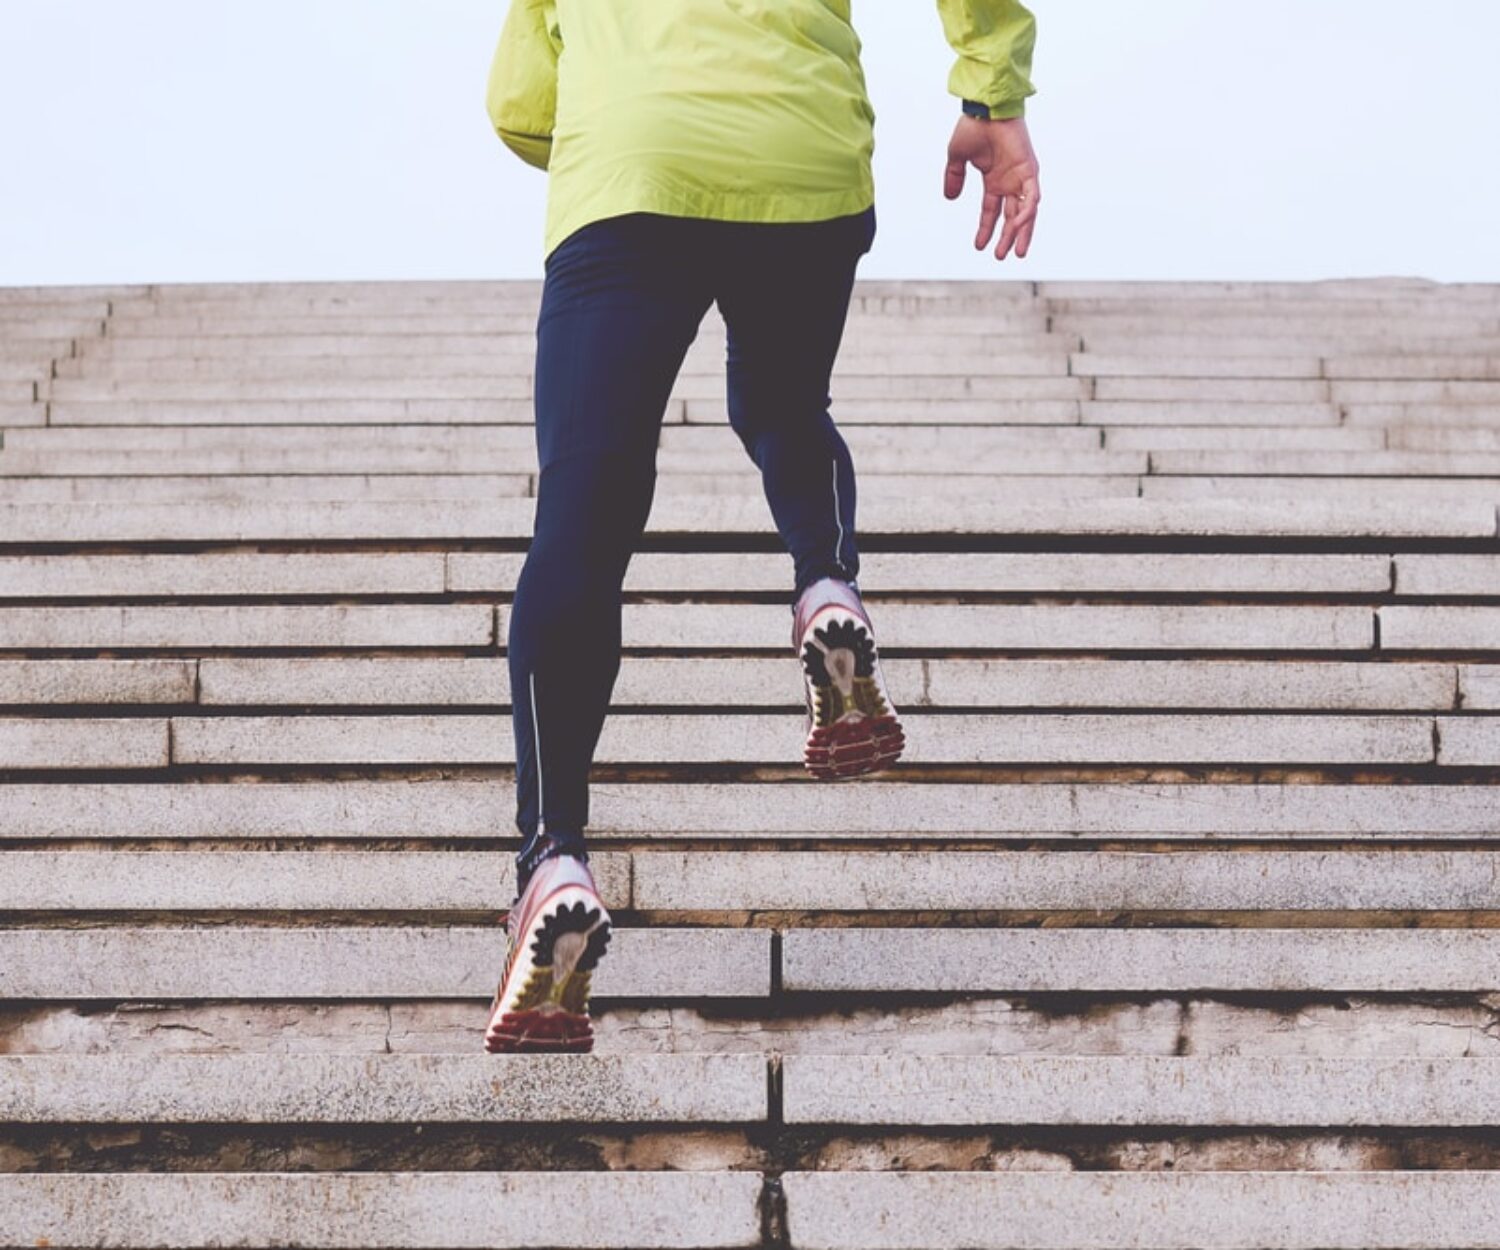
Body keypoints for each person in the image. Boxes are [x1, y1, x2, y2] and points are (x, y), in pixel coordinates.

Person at [482, 0, 1040, 1054]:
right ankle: (826, 582)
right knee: (785, 405)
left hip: (634, 169)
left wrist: (628, 96)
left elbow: (521, 105)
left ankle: (552, 855)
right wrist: (991, 95)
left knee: (585, 514)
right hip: (805, 156)